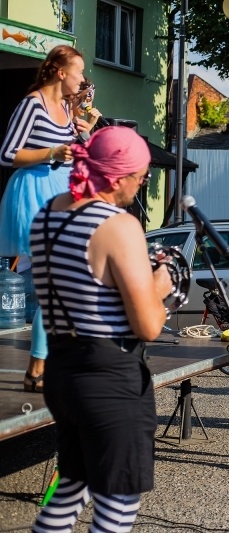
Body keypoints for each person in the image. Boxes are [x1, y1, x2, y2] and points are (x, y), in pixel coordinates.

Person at [29, 127, 172, 532]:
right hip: (108, 374)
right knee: (118, 501)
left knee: (72, 486)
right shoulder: (117, 225)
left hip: (63, 369)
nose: (142, 183)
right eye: (140, 176)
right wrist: (160, 286)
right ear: (117, 177)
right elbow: (148, 327)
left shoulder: (47, 216)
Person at [0, 44, 93, 393]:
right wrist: (52, 152)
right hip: (34, 192)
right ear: (60, 72)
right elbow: (8, 153)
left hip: (62, 191)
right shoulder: (32, 104)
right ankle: (38, 368)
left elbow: (72, 155)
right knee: (55, 284)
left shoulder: (68, 111)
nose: (83, 79)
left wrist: (85, 133)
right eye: (79, 71)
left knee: (64, 283)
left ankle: (43, 365)